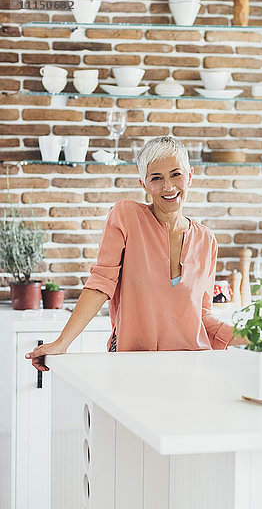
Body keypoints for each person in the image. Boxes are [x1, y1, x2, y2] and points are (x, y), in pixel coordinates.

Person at [26, 136, 246, 372]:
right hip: (131, 364)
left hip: (191, 367)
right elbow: (101, 283)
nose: (168, 186)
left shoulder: (206, 240)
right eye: (156, 178)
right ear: (144, 184)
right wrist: (62, 343)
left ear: (190, 175)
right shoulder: (126, 216)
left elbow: (201, 316)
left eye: (176, 174)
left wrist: (251, 337)